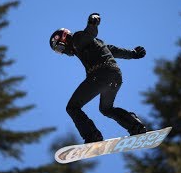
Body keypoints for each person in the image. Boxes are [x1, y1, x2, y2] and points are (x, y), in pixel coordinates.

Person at [49, 13, 147, 143]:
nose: (62, 52)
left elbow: (89, 33)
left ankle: (92, 136)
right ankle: (136, 127)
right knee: (106, 109)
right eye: (59, 51)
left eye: (60, 48)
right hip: (115, 76)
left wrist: (92, 23)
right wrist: (133, 54)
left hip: (100, 75)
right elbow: (113, 50)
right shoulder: (94, 44)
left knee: (72, 107)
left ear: (64, 39)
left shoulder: (77, 39)